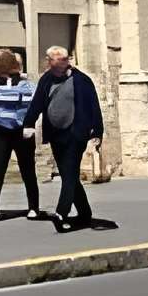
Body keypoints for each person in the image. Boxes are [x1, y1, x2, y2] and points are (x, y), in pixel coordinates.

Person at [35, 45, 112, 232]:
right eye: (49, 60)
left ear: (65, 61)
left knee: (69, 174)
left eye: (55, 60)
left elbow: (94, 107)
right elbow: (37, 102)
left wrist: (97, 133)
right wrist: (28, 124)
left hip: (76, 133)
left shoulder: (81, 80)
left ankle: (62, 213)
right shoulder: (46, 79)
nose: (51, 64)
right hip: (56, 135)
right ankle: (85, 213)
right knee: (68, 174)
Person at [0, 47, 43, 221]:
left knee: (28, 170)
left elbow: (32, 105)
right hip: (0, 131)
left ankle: (34, 207)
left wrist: (29, 125)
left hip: (22, 131)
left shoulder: (27, 85)